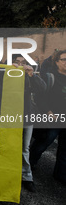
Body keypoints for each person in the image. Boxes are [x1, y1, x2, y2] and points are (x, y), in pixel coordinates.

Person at [30, 50, 66, 186]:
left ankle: (60, 174)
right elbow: (40, 96)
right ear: (56, 62)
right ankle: (29, 165)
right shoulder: (50, 77)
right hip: (53, 119)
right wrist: (48, 112)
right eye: (64, 59)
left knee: (64, 149)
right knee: (44, 143)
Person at [12, 54, 46, 192]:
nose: (20, 65)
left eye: (23, 62)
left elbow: (42, 89)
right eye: (17, 62)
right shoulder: (5, 74)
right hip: (10, 117)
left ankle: (27, 177)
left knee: (24, 148)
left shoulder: (30, 76)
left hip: (26, 117)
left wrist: (31, 74)